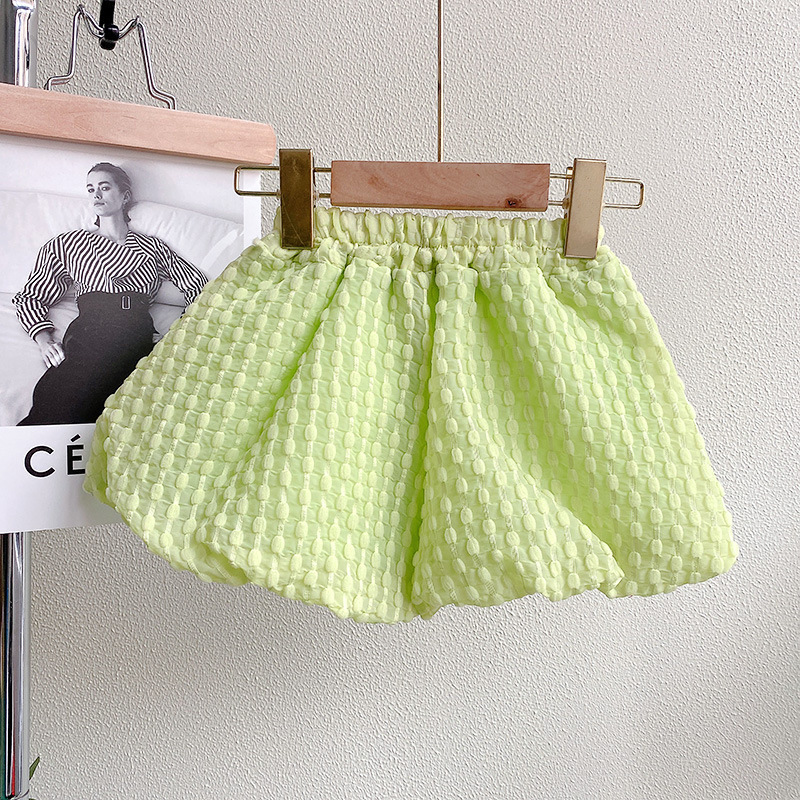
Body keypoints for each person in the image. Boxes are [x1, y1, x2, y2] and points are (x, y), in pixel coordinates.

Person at [12, 162, 207, 426]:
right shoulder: (69, 244)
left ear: (125, 196)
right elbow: (31, 296)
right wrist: (44, 340)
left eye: (104, 188)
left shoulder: (152, 247)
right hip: (90, 328)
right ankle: (34, 435)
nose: (96, 195)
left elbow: (198, 285)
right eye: (90, 189)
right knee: (65, 393)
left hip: (134, 329)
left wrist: (179, 332)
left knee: (119, 397)